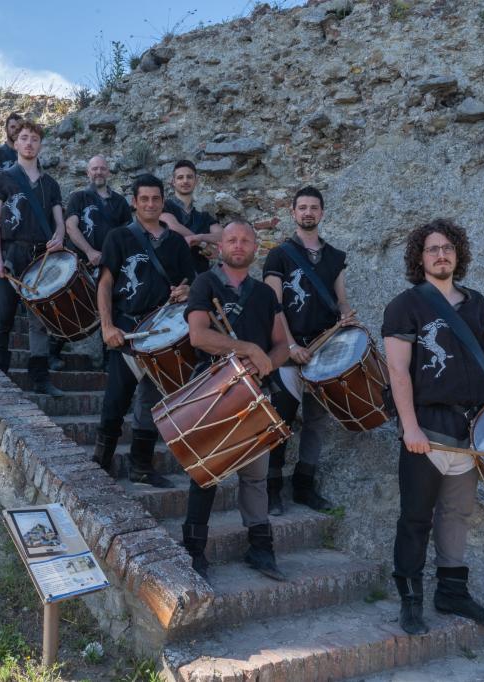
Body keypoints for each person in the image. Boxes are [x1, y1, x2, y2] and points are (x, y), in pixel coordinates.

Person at [382, 218, 484, 635]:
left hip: (472, 430)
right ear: (420, 258)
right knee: (415, 517)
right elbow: (398, 372)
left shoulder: (476, 302)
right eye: (432, 249)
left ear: (458, 253)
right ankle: (410, 600)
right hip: (427, 429)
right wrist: (409, 428)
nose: (441, 254)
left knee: (457, 513)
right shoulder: (405, 306)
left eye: (447, 247)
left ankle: (451, 591)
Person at [183, 221, 290, 581]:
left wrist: (266, 364)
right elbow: (198, 335)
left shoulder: (264, 294)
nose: (238, 245)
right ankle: (194, 551)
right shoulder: (205, 283)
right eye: (232, 239)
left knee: (256, 476)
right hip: (215, 389)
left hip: (255, 392)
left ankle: (261, 548)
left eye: (246, 240)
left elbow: (282, 345)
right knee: (205, 474)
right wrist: (245, 348)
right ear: (221, 246)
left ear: (256, 247)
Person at [93, 174, 194, 488]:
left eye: (156, 199)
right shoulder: (119, 237)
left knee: (150, 401)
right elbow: (105, 283)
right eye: (144, 199)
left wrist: (187, 290)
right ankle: (101, 462)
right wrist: (107, 326)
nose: (150, 204)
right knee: (115, 401)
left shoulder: (176, 242)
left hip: (162, 332)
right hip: (127, 328)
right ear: (134, 202)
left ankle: (141, 466)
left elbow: (189, 281)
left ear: (163, 202)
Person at [262, 186, 353, 514]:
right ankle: (271, 489)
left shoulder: (335, 257)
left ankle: (304, 485)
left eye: (314, 207)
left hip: (324, 352)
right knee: (279, 421)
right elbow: (274, 306)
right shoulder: (279, 255)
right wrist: (288, 345)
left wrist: (345, 315)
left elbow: (340, 300)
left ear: (322, 213)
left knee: (316, 422)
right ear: (293, 213)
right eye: (302, 207)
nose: (308, 212)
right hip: (288, 351)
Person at [0, 120, 66, 396]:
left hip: (41, 257)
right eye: (24, 138)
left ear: (40, 144)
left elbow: (60, 221)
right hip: (12, 254)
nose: (29, 143)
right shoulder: (1, 179)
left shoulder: (50, 184)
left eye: (34, 138)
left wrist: (60, 237)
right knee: (3, 316)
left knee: (40, 320)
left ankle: (40, 378)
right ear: (15, 142)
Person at [55, 154, 132, 369]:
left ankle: (109, 359)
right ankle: (54, 351)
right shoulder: (79, 198)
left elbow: (128, 233)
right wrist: (89, 251)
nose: (98, 172)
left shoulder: (120, 202)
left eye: (102, 168)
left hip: (111, 266)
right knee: (73, 308)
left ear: (108, 172)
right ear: (88, 173)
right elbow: (71, 226)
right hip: (82, 262)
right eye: (94, 169)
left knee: (110, 309)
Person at [160, 160, 222, 273]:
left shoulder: (204, 217)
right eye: (180, 177)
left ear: (196, 181)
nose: (185, 181)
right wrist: (203, 244)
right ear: (173, 182)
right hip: (171, 276)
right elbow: (173, 226)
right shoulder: (164, 206)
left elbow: (223, 236)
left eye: (189, 177)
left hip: (199, 279)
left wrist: (200, 237)